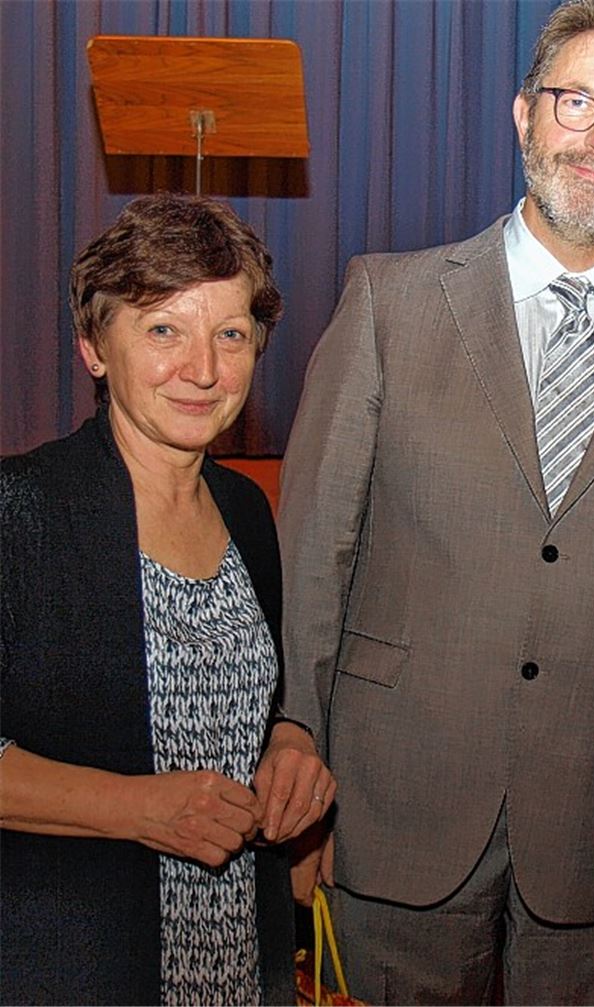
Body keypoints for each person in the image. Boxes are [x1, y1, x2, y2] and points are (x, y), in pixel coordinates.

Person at [274, 1, 594, 1003]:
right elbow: (316, 553)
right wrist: (295, 743)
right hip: (392, 801)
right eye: (577, 102)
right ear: (525, 113)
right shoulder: (388, 304)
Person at [0, 194, 337, 1006]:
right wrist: (135, 807)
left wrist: (290, 741)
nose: (204, 369)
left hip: (237, 956)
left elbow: (258, 700)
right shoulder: (21, 509)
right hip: (74, 963)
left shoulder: (247, 510)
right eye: (163, 330)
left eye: (231, 334)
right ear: (93, 348)